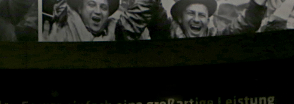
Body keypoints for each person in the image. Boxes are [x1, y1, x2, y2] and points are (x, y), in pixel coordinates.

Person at [42, 0, 171, 41]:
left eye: (103, 7)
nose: (98, 11)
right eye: (91, 4)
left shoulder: (115, 33)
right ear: (79, 9)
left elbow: (141, 12)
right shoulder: (59, 27)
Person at [167, 0, 267, 38]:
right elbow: (155, 13)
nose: (196, 20)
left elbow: (244, 25)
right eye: (191, 13)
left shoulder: (218, 36)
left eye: (201, 15)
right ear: (180, 18)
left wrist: (257, 4)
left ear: (207, 21)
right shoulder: (167, 34)